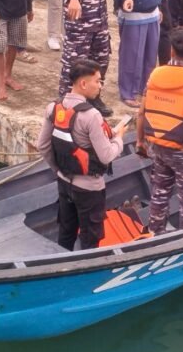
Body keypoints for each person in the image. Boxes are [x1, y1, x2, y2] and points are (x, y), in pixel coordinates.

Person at [37, 59, 126, 251]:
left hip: (64, 182)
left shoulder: (53, 107)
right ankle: (86, 273)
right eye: (98, 81)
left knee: (66, 232)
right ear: (83, 83)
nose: (100, 86)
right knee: (89, 238)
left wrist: (58, 169)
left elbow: (42, 145)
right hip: (89, 189)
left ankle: (62, 267)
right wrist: (119, 139)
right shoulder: (91, 115)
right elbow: (106, 156)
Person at [137, 28, 183, 235]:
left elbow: (141, 111)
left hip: (157, 144)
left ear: (171, 50)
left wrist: (140, 140)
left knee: (159, 191)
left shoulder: (156, 73)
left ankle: (155, 233)